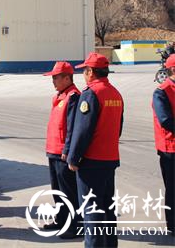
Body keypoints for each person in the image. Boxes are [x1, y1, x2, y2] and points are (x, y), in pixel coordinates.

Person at [68, 52, 124, 248]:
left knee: (91, 210)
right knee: (107, 208)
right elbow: (118, 129)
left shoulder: (91, 94)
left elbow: (82, 131)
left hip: (92, 161)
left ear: (91, 71)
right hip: (110, 159)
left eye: (85, 70)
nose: (84, 74)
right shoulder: (115, 93)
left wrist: (73, 159)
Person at [42, 61, 81, 238]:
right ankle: (61, 220)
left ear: (67, 78)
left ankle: (73, 226)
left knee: (68, 193)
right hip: (53, 150)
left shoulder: (73, 96)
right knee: (57, 191)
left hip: (62, 152)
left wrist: (67, 150)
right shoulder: (61, 95)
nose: (53, 81)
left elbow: (73, 128)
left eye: (56, 77)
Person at [151, 54, 175, 236]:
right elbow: (166, 120)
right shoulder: (162, 91)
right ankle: (173, 224)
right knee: (173, 189)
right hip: (170, 149)